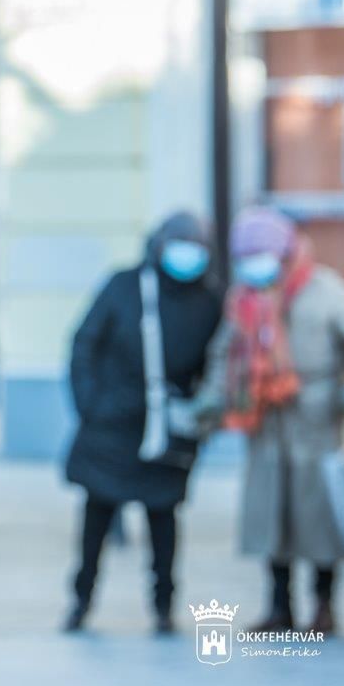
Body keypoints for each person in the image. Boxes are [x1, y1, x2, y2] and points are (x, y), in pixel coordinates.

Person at [197, 207, 344, 635]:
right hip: (267, 422)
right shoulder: (244, 301)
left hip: (317, 420)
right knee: (273, 518)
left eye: (261, 255)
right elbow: (224, 357)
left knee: (318, 519)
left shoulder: (325, 291)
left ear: (284, 253)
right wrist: (212, 399)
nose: (254, 265)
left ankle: (324, 607)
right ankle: (278, 607)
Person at [64, 212, 223, 635]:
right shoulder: (124, 286)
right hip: (111, 427)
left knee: (163, 519)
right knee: (97, 518)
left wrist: (201, 412)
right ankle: (81, 600)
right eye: (180, 243)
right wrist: (91, 404)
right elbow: (84, 344)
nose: (188, 253)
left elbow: (216, 363)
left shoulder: (209, 302)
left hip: (167, 432)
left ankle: (164, 605)